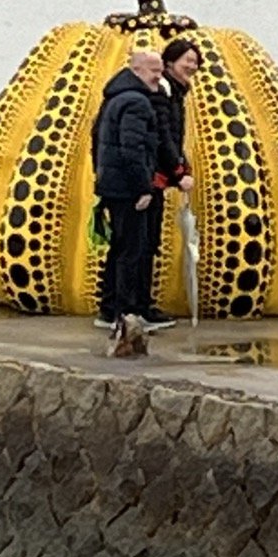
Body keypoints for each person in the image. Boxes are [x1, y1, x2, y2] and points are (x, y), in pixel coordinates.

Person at [92, 50, 161, 349]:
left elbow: (96, 139)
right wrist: (143, 187)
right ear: (136, 70)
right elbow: (132, 149)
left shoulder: (114, 97)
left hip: (111, 185)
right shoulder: (136, 101)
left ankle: (109, 308)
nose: (158, 76)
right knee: (132, 249)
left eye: (160, 70)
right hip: (127, 188)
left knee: (118, 247)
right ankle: (126, 311)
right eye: (153, 71)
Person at [137, 42, 198, 328]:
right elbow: (162, 136)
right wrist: (177, 169)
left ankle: (131, 305)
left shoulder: (173, 93)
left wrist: (180, 164)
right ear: (170, 62)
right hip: (150, 178)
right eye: (188, 60)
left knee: (144, 243)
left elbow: (170, 136)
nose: (193, 66)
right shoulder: (162, 94)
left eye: (196, 62)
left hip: (155, 175)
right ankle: (136, 307)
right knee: (141, 244)